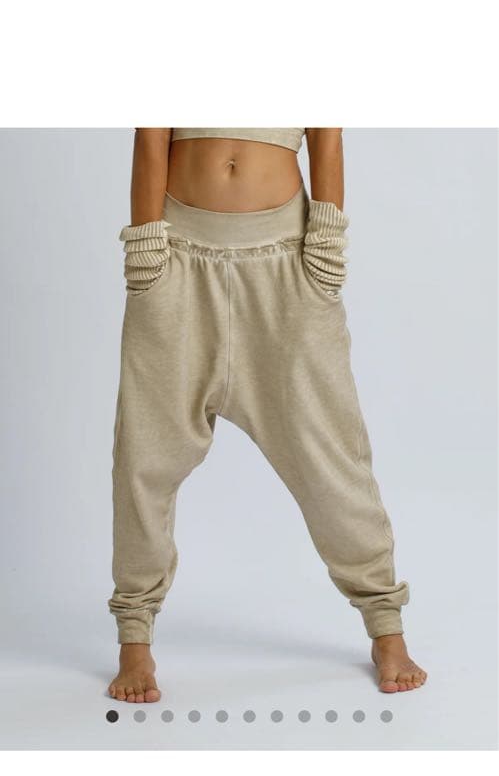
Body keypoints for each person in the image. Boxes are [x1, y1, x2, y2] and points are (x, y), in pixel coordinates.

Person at [108, 128, 427, 702]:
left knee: (330, 459)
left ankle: (385, 624)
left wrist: (325, 247)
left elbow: (326, 138)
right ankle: (135, 638)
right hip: (176, 260)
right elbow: (151, 136)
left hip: (286, 266)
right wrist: (146, 249)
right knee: (144, 459)